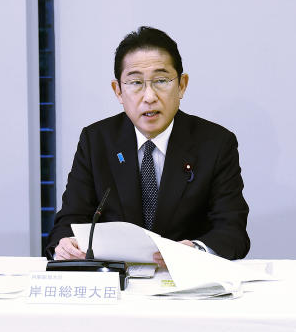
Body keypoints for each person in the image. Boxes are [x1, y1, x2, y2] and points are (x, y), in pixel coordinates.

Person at [46, 26, 250, 262]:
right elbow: (68, 223)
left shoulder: (215, 144)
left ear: (182, 85)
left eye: (161, 80)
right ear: (118, 91)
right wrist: (65, 246)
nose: (149, 96)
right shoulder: (96, 141)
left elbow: (233, 232)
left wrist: (196, 251)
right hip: (117, 284)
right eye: (135, 83)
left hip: (185, 285)